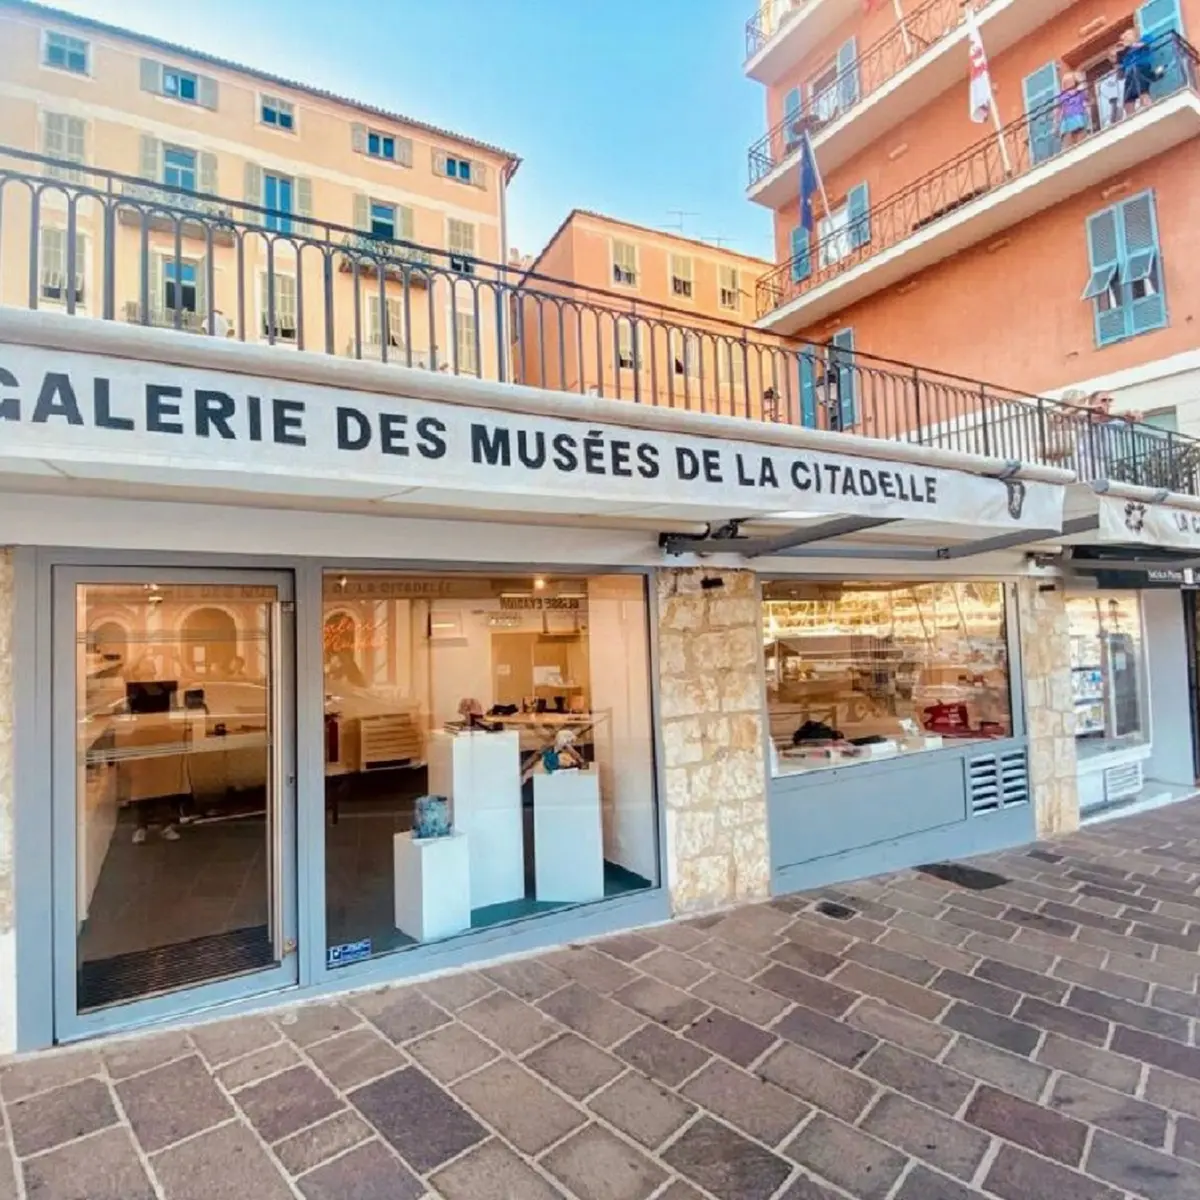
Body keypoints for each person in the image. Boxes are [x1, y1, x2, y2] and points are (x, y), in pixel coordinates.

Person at [1118, 28, 1156, 114]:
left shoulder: (1145, 38)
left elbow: (1146, 44)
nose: (1125, 38)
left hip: (1142, 68)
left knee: (1143, 93)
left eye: (1127, 35)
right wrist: (1118, 55)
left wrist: (1131, 45)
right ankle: (1131, 117)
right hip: (1130, 74)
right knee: (1127, 101)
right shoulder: (1127, 53)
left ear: (1134, 35)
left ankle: (1151, 111)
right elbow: (1121, 73)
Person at [1057, 70, 1091, 145]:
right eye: (1066, 82)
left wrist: (1081, 81)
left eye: (1069, 81)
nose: (1068, 84)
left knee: (1081, 142)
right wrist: (1057, 123)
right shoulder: (1063, 96)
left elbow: (1087, 100)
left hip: (1079, 118)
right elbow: (1060, 110)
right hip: (1068, 121)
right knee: (1069, 145)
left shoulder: (1080, 93)